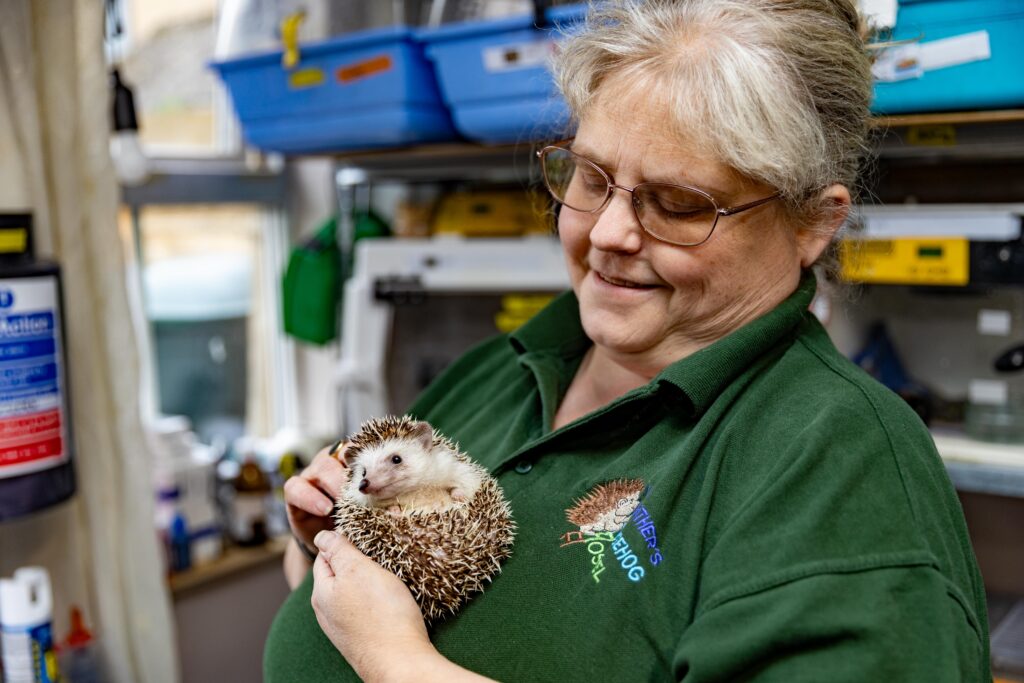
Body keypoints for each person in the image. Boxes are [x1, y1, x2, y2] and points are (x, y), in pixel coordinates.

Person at [265, 1, 991, 680]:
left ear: (812, 222)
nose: (607, 234)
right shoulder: (510, 364)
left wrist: (399, 662)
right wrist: (330, 547)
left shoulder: (836, 462)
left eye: (679, 204)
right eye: (590, 177)